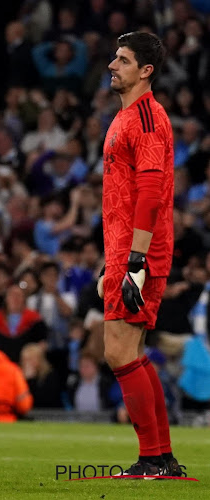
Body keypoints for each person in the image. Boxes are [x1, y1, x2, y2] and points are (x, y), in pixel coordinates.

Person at [98, 32, 183, 477]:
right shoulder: (126, 116)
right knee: (129, 350)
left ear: (146, 70)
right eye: (115, 57)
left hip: (140, 253)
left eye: (123, 59)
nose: (113, 64)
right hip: (124, 250)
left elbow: (150, 193)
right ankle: (161, 457)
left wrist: (135, 261)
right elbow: (123, 195)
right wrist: (109, 259)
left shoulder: (148, 118)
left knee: (120, 351)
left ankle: (153, 457)